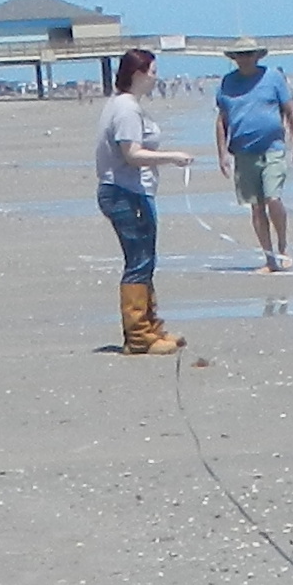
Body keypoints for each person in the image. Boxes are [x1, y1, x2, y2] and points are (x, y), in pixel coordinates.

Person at [93, 45, 191, 354]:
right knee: (138, 261)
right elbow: (131, 154)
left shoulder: (126, 105)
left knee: (146, 259)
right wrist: (172, 157)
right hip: (124, 191)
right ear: (137, 74)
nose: (155, 78)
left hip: (133, 191)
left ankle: (151, 326)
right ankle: (138, 336)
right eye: (152, 72)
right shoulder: (126, 109)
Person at [213, 36, 293, 269]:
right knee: (256, 207)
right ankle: (269, 258)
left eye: (249, 54)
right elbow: (221, 120)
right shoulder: (227, 84)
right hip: (243, 154)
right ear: (234, 58)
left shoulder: (273, 78)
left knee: (273, 199)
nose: (245, 59)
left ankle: (283, 246)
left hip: (272, 149)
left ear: (258, 56)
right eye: (240, 55)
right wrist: (222, 155)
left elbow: (291, 112)